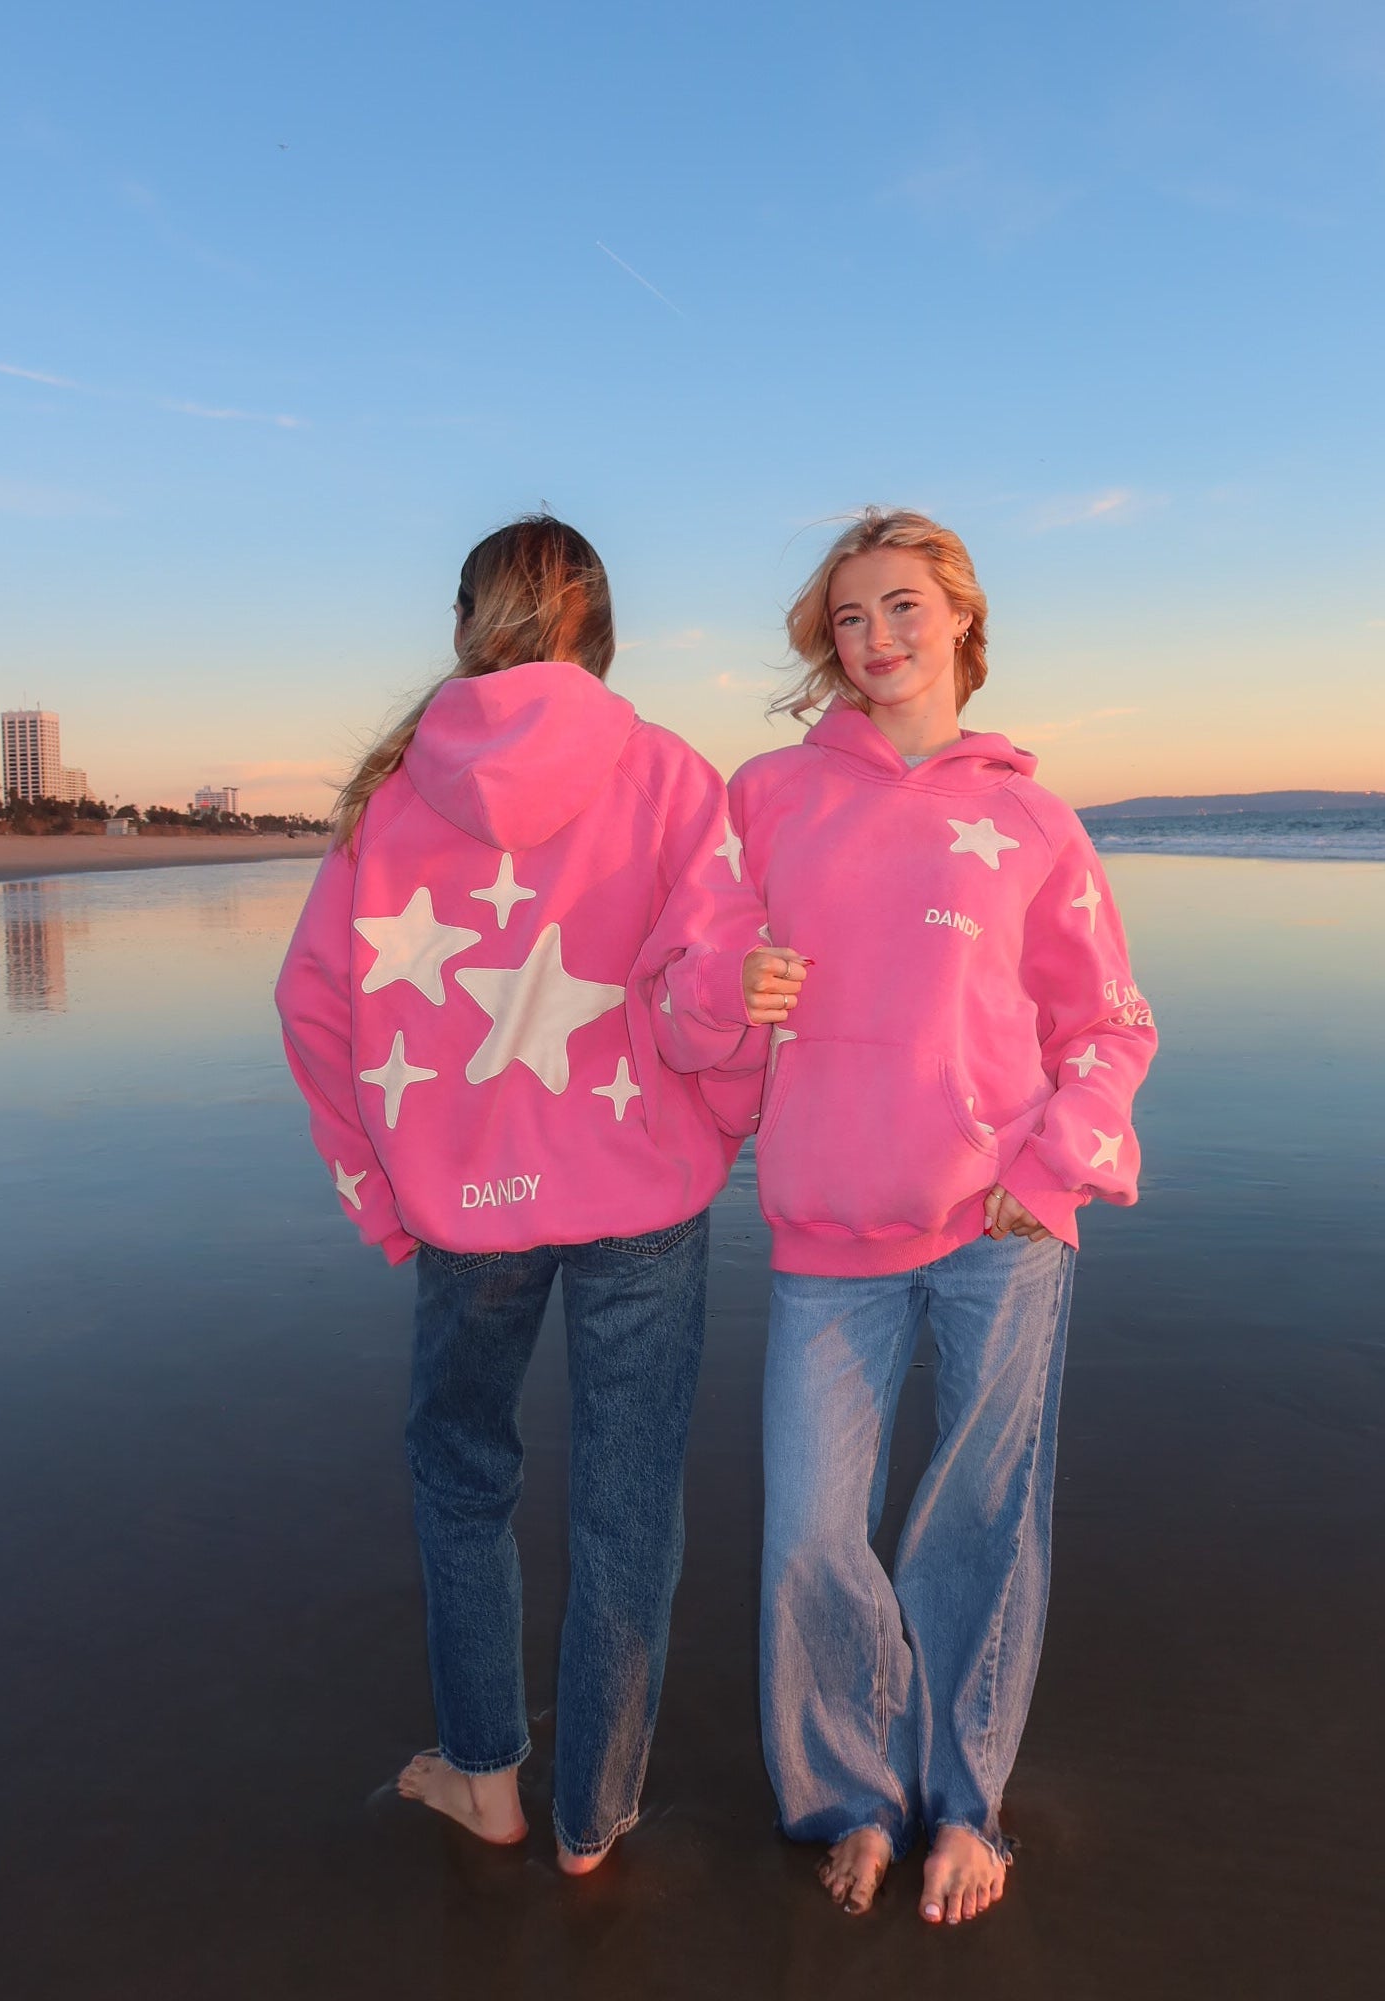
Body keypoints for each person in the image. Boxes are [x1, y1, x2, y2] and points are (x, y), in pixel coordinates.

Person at [275, 517, 775, 1873]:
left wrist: (384, 1192)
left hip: (466, 1211)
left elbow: (314, 1005)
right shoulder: (668, 772)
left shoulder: (391, 795)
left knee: (461, 1476)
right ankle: (592, 1822)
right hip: (645, 1202)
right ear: (600, 636)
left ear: (464, 624)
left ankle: (485, 1777)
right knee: (629, 1507)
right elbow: (718, 979)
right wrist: (723, 1121)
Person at [732, 508, 1157, 1923]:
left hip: (998, 1227)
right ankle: (853, 1795)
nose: (876, 638)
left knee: (978, 1522)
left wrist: (1054, 1170)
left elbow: (1110, 1023)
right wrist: (720, 991)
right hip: (827, 1228)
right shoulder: (768, 796)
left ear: (961, 618)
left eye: (903, 606)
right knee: (811, 1532)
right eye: (850, 618)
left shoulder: (1033, 818)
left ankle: (967, 1803)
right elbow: (690, 959)